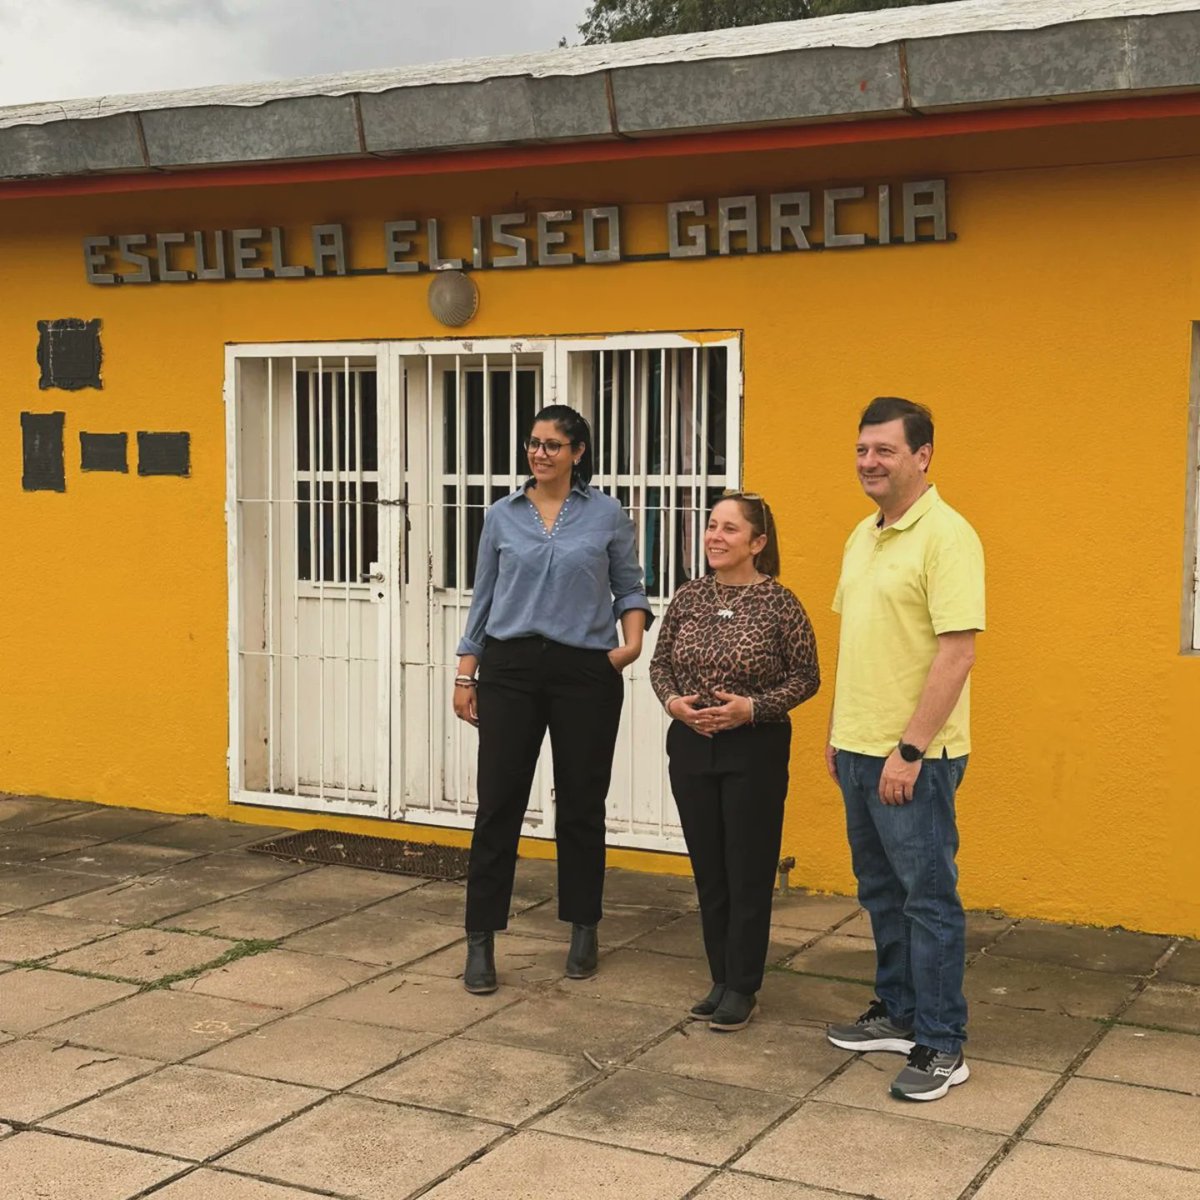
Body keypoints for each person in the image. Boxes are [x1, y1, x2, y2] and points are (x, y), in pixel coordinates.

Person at [453, 404, 652, 994]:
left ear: (578, 453)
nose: (540, 454)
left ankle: (584, 927)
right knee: (499, 804)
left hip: (583, 670)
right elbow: (482, 598)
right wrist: (467, 674)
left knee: (582, 803)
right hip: (510, 666)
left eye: (553, 445)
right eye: (534, 443)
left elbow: (629, 583)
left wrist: (631, 645)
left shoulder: (607, 514)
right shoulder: (500, 515)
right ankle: (481, 939)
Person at [824, 396, 985, 1102]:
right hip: (857, 748)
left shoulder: (948, 536)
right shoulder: (863, 535)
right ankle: (897, 1011)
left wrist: (910, 751)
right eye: (863, 449)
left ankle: (943, 1043)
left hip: (913, 756)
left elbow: (958, 653)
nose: (869, 462)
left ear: (923, 457)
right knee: (880, 891)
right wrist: (837, 732)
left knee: (928, 899)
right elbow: (855, 641)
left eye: (884, 450)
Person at [650, 492, 819, 1032]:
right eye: (711, 526)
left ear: (757, 543)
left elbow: (806, 677)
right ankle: (720, 976)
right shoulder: (688, 597)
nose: (715, 537)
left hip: (755, 749)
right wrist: (673, 703)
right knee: (709, 868)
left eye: (729, 529)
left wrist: (753, 708)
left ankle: (744, 985)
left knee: (747, 869)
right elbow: (660, 665)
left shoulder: (780, 603)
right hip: (692, 745)